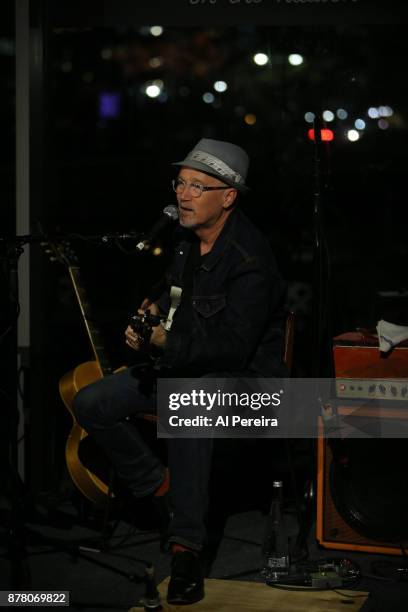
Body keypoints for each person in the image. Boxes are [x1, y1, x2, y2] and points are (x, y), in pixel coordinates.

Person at [73, 138, 287, 605]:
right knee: (91, 401)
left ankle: (186, 548)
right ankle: (160, 487)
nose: (182, 195)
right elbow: (170, 289)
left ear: (228, 196)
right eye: (180, 183)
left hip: (249, 386)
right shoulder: (188, 242)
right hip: (188, 369)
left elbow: (230, 351)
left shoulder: (250, 262)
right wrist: (147, 312)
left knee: (187, 405)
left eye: (196, 186)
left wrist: (165, 342)